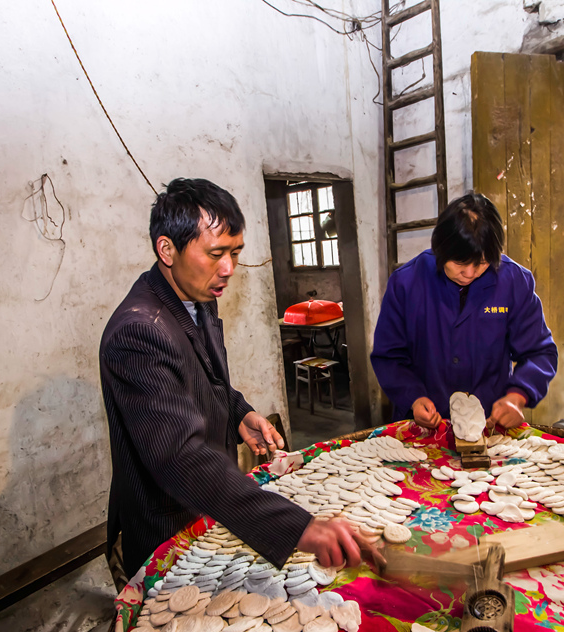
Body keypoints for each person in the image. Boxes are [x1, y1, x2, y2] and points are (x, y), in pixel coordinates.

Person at [99, 178, 368, 589]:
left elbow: (206, 380)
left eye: (235, 253)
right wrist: (299, 528)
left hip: (208, 511)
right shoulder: (138, 333)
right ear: (166, 249)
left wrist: (238, 413)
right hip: (167, 529)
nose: (228, 269)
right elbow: (180, 457)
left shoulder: (198, 298)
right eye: (216, 253)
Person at [371, 191, 558, 431]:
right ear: (440, 250)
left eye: (481, 263)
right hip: (425, 422)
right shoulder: (406, 284)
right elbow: (389, 357)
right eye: (459, 263)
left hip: (489, 424)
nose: (469, 273)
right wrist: (413, 398)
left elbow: (539, 352)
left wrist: (518, 396)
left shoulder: (514, 283)